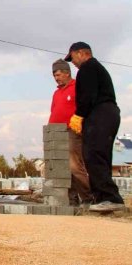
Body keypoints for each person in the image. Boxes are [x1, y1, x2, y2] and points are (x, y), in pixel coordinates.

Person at [64, 42, 125, 212]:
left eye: (73, 57)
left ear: (82, 53)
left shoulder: (88, 68)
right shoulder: (95, 68)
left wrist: (79, 115)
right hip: (106, 114)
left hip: (101, 114)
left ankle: (110, 198)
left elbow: (88, 95)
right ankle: (104, 198)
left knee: (94, 154)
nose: (73, 62)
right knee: (99, 155)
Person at [47, 59, 93, 206]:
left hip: (72, 131)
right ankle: (72, 201)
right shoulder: (56, 93)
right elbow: (53, 112)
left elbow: (85, 107)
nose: (56, 77)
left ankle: (88, 198)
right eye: (54, 75)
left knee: (74, 166)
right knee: (62, 169)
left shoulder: (77, 87)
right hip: (56, 134)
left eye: (58, 74)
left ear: (67, 73)